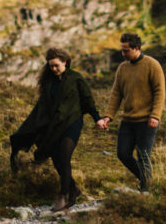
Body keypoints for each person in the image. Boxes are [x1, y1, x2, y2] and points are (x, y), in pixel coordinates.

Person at [10, 48, 101, 211]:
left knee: (64, 155)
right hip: (54, 126)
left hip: (72, 122)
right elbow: (42, 106)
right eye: (51, 66)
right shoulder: (48, 82)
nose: (53, 69)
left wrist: (97, 118)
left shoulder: (75, 78)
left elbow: (88, 100)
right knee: (57, 159)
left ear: (65, 62)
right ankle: (74, 189)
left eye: (56, 66)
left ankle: (63, 197)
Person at [96, 33, 165, 192]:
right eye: (122, 50)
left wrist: (155, 116)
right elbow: (116, 94)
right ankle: (145, 179)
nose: (123, 54)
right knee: (123, 154)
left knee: (143, 157)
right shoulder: (122, 68)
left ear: (137, 48)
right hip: (127, 121)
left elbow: (160, 92)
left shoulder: (152, 65)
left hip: (147, 121)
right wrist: (108, 116)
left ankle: (146, 190)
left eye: (126, 50)